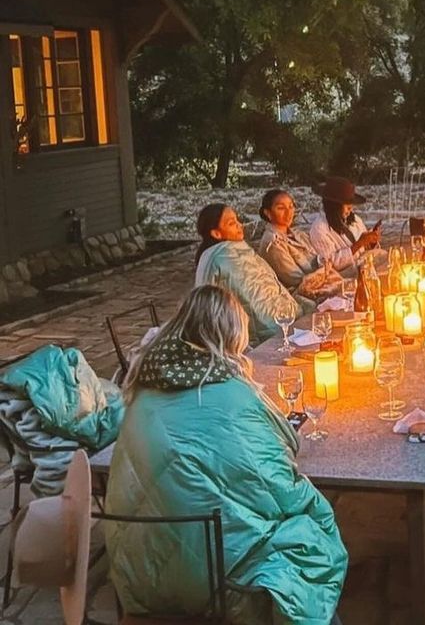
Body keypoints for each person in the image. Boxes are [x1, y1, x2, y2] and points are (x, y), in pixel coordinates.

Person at [104, 285, 348, 624]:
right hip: (213, 578)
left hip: (135, 570)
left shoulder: (143, 387)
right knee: (311, 548)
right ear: (232, 336)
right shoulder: (233, 397)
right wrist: (320, 511)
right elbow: (277, 484)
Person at [194, 202, 312, 346]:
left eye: (237, 220)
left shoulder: (239, 250)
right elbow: (258, 304)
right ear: (216, 233)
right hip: (271, 334)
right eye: (232, 223)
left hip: (286, 321)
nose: (239, 225)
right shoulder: (225, 258)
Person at [258, 189, 344, 300]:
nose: (288, 212)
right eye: (281, 208)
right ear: (268, 213)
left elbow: (319, 259)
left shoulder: (298, 235)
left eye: (291, 206)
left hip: (322, 283)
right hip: (299, 298)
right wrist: (323, 271)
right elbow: (297, 280)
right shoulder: (272, 244)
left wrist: (324, 267)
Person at [309, 176, 381, 274]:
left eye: (351, 204)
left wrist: (371, 242)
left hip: (365, 266)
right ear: (333, 205)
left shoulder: (355, 219)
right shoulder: (319, 229)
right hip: (343, 275)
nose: (350, 208)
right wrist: (358, 244)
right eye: (346, 204)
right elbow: (330, 263)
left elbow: (365, 250)